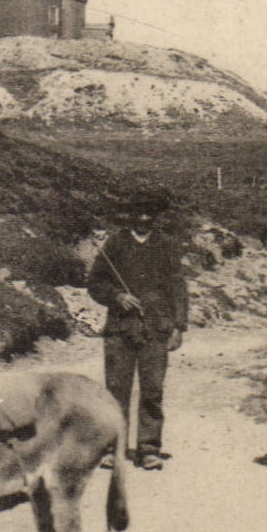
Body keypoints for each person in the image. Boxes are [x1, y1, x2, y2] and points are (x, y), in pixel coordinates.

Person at [86, 190, 188, 470]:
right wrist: (117, 296)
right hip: (120, 328)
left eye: (149, 214)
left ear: (155, 217)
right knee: (117, 390)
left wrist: (179, 326)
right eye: (138, 213)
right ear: (131, 215)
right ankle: (114, 449)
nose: (143, 218)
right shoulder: (115, 244)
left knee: (152, 390)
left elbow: (178, 287)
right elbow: (95, 283)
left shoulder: (167, 245)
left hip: (157, 328)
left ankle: (149, 449)